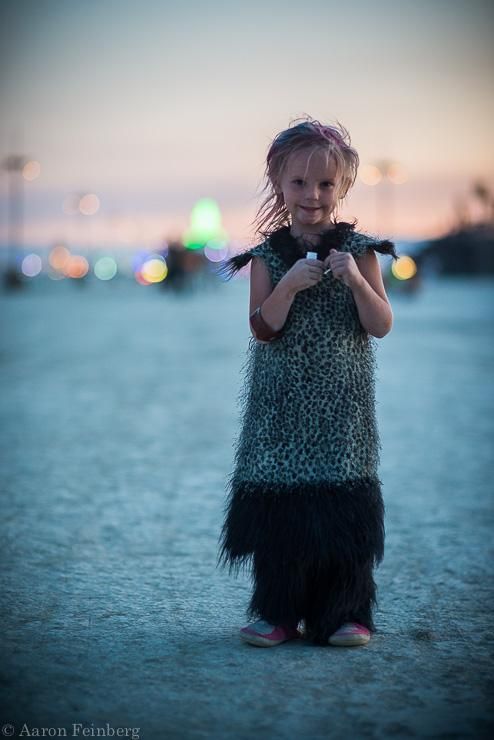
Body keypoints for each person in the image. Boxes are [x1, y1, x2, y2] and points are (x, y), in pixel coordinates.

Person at [216, 116, 398, 648]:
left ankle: (345, 614)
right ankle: (277, 611)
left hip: (343, 408)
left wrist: (359, 282)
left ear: (342, 187)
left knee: (342, 512)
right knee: (282, 513)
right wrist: (290, 286)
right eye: (299, 182)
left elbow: (380, 324)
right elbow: (262, 329)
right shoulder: (268, 258)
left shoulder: (363, 251)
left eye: (325, 184)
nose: (312, 195)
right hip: (281, 408)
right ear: (278, 183)